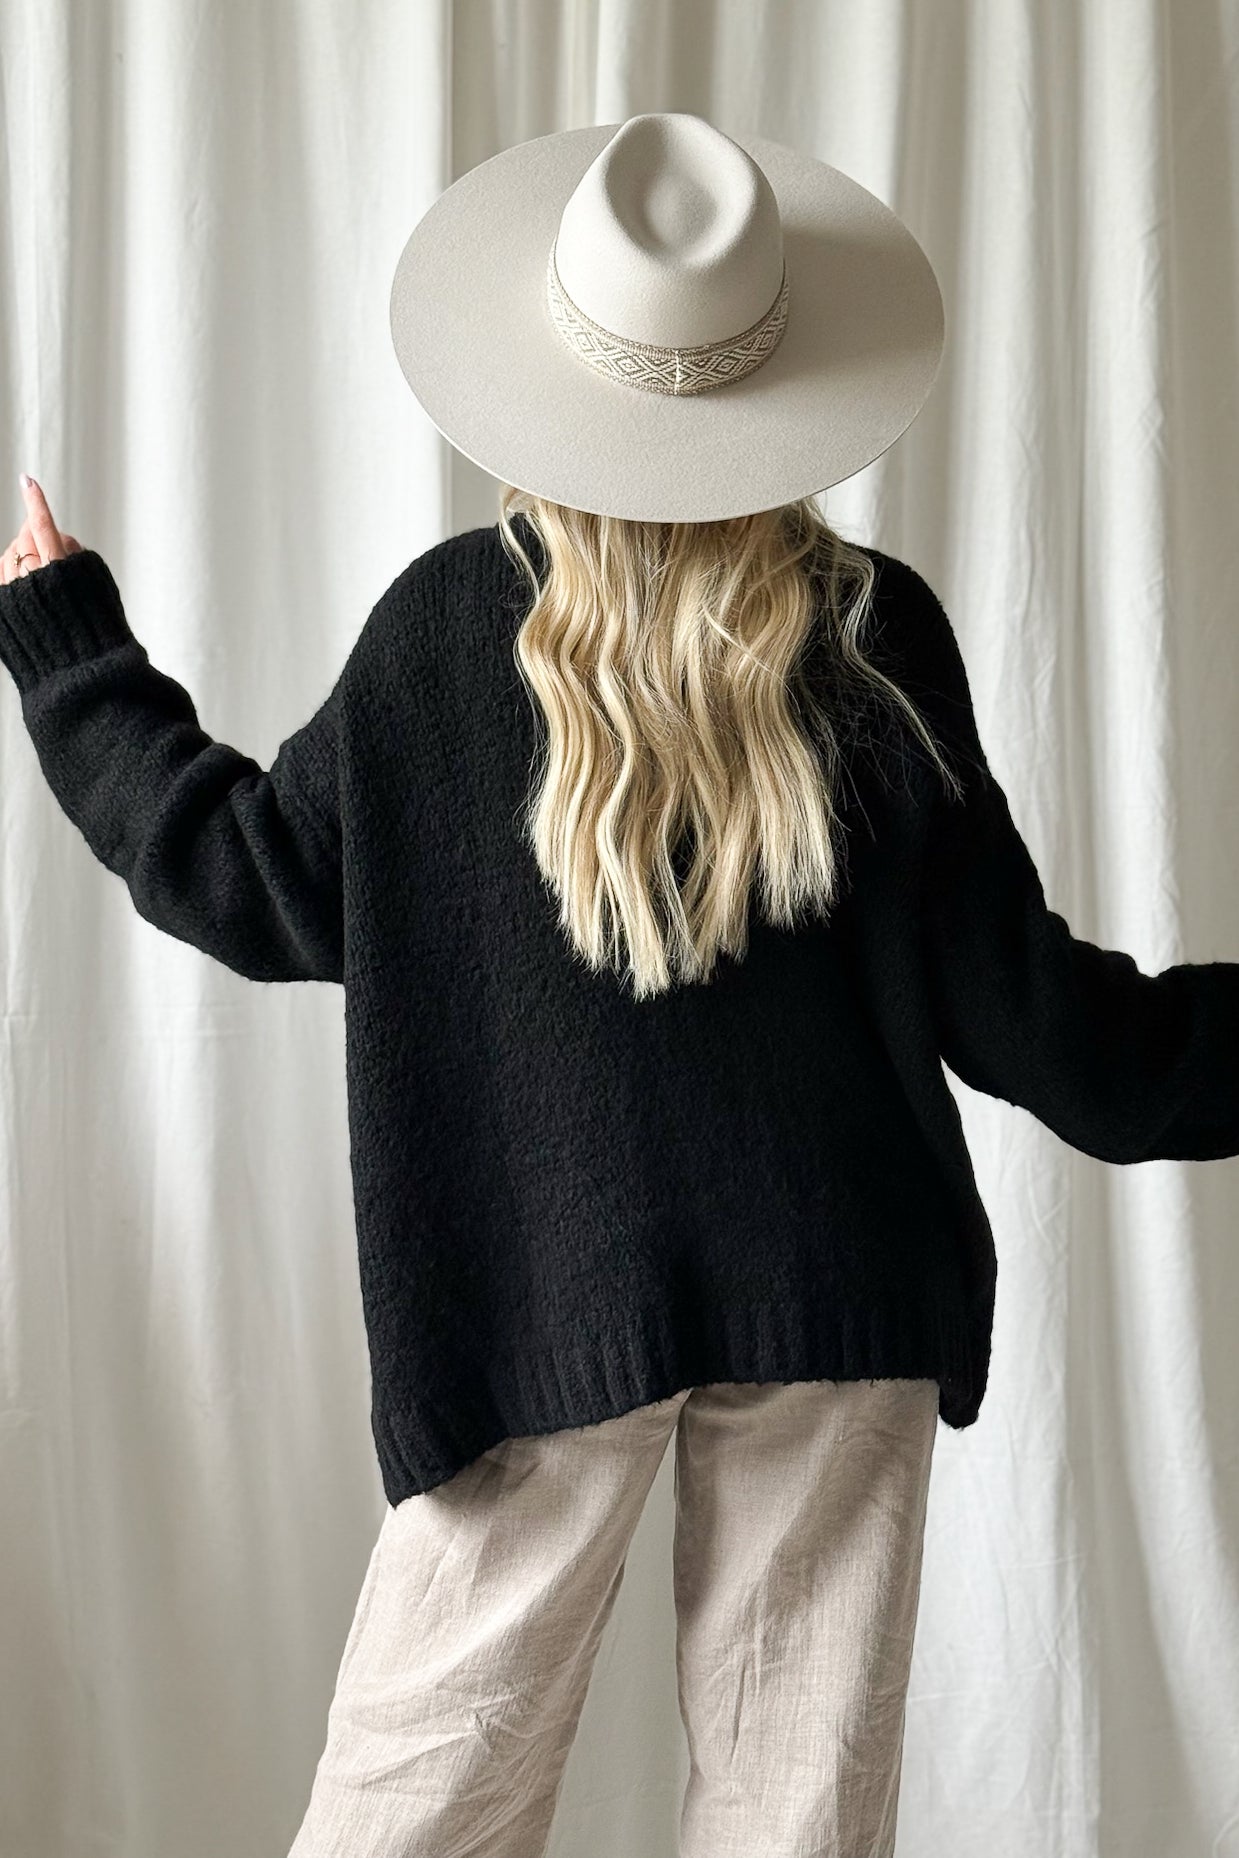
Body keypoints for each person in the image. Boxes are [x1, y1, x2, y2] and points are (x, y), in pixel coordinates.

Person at [3, 113, 1237, 1858]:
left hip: (538, 1288)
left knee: (416, 1800)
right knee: (796, 1812)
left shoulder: (445, 633)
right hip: (837, 1290)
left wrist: (76, 657)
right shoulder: (872, 637)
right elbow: (1056, 1031)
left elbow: (248, 875)